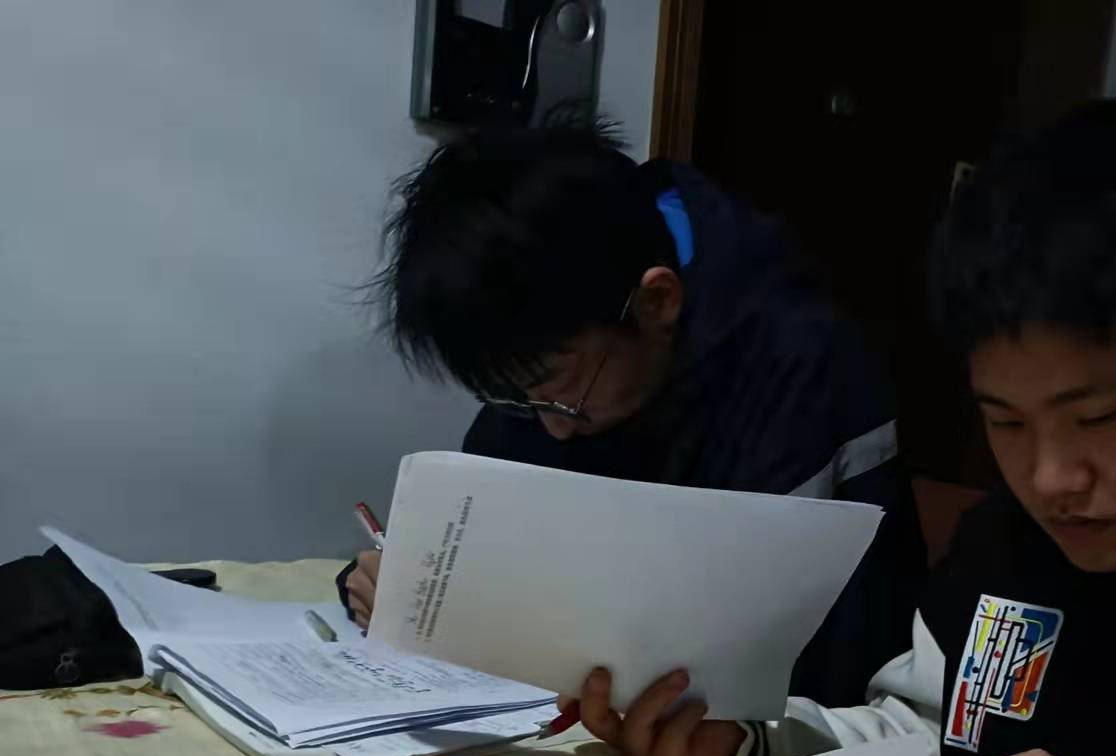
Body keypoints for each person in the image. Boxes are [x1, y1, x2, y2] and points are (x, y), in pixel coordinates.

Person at [562, 99, 1116, 756]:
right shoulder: (1017, 546)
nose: (1050, 477)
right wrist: (752, 745)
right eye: (1006, 421)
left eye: (1100, 418)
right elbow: (928, 740)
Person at [341, 122, 925, 707]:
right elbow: (491, 542)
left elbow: (784, 658)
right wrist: (406, 587)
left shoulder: (798, 368)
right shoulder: (551, 358)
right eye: (512, 397)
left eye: (556, 389)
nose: (552, 426)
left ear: (657, 302)